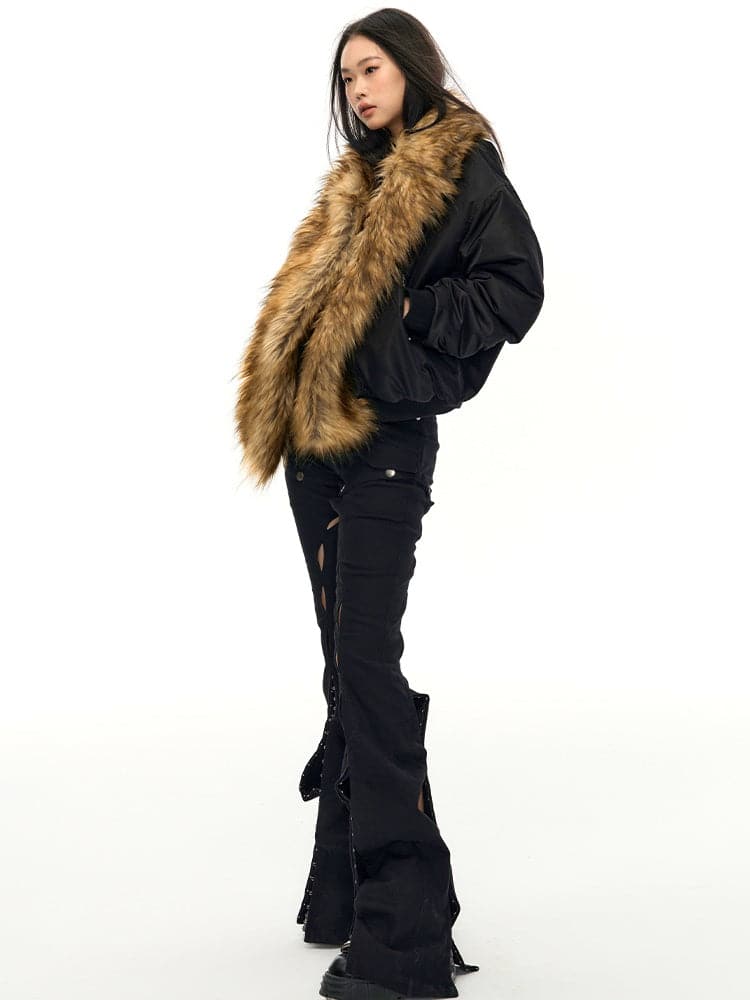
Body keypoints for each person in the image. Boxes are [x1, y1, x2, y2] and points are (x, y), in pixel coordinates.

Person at [233, 10, 545, 998]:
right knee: (345, 666)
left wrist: (409, 309)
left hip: (388, 446)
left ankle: (405, 939)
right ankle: (344, 894)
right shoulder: (357, 179)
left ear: (412, 66)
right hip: (314, 447)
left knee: (366, 664)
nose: (358, 89)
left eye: (371, 69)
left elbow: (514, 289)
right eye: (346, 78)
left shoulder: (463, 167)